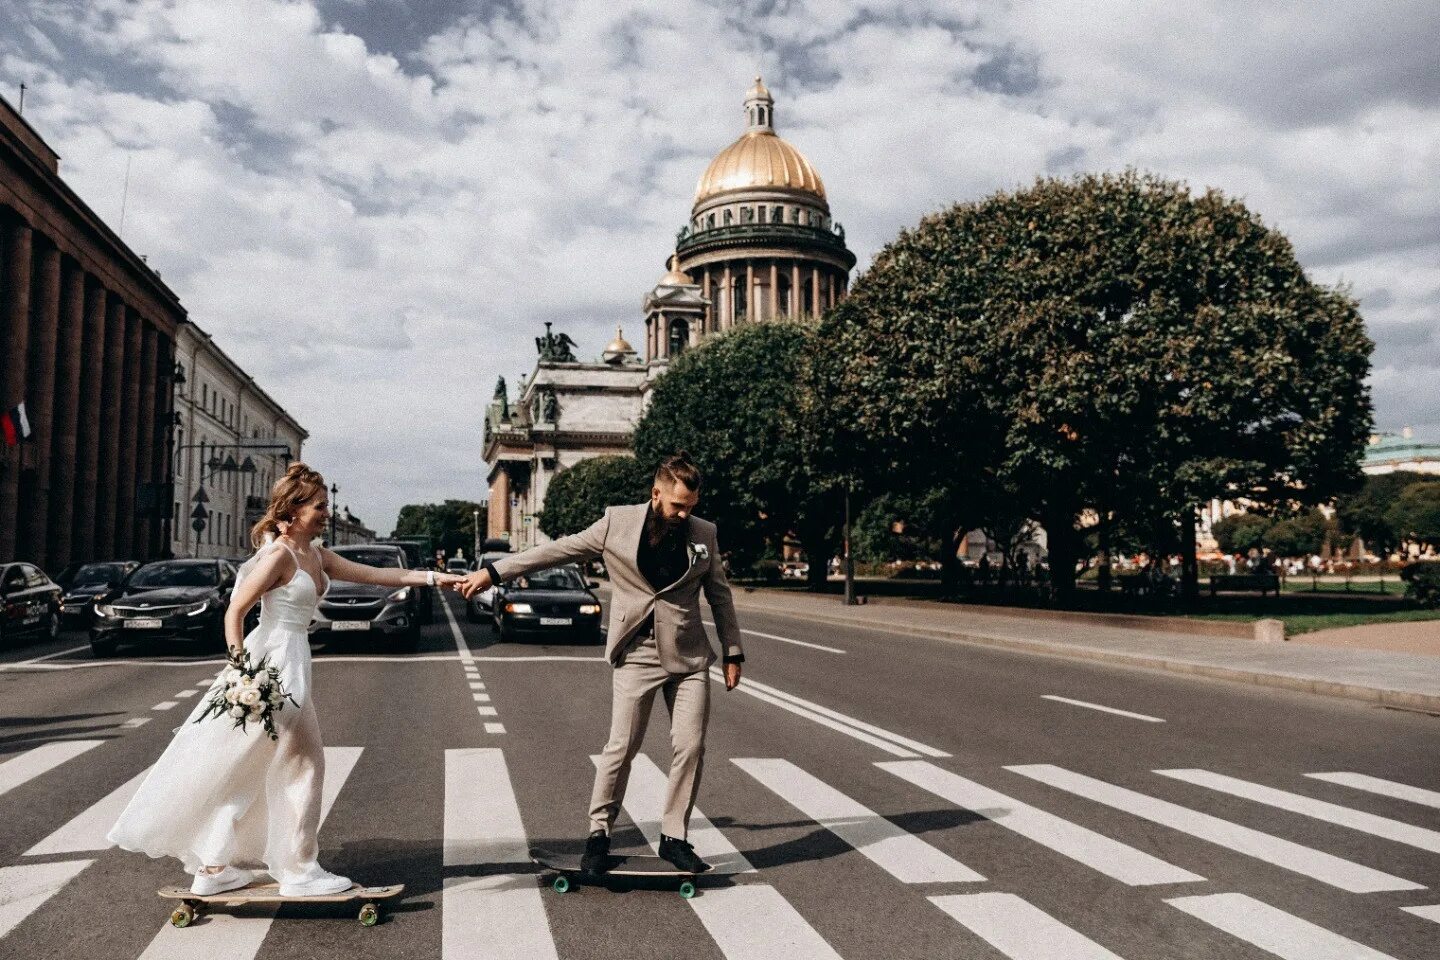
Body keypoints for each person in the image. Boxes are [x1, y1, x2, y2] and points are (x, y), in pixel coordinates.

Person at [108, 463, 463, 897]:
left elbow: (378, 575)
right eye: (319, 506)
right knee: (306, 764)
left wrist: (435, 578)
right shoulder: (280, 555)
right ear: (292, 512)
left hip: (292, 658)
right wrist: (243, 675)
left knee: (252, 763)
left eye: (326, 505)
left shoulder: (317, 555)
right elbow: (235, 611)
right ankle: (298, 870)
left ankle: (214, 867)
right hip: (273, 661)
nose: (326, 512)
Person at [458, 451, 743, 875]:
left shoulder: (705, 532)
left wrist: (733, 651)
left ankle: (674, 837)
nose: (684, 514)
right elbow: (557, 551)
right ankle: (599, 834)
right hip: (637, 653)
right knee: (621, 748)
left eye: (691, 506)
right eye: (677, 505)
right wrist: (495, 573)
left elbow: (719, 594)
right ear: (656, 493)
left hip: (688, 654)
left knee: (691, 746)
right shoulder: (617, 523)